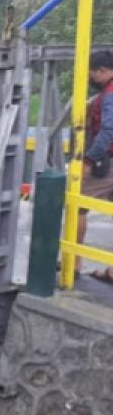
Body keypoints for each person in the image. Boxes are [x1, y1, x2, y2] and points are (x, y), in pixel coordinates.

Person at [80, 50, 113, 281]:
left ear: (103, 71)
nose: (91, 78)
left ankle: (73, 261)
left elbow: (108, 130)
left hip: (107, 163)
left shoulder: (109, 95)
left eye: (92, 73)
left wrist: (89, 159)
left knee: (77, 202)